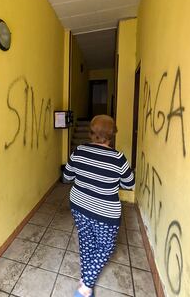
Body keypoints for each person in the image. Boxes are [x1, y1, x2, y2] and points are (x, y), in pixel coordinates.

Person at [63, 115, 135, 297]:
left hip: (79, 205)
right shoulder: (118, 158)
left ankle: (85, 279)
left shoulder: (79, 150)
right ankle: (85, 287)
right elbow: (129, 183)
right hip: (105, 212)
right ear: (112, 134)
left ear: (91, 132)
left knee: (86, 241)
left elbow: (67, 177)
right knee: (106, 247)